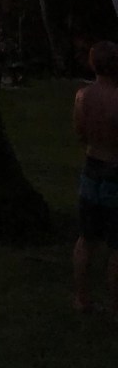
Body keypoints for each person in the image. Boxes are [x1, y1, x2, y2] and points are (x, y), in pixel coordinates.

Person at [73, 40, 118, 314]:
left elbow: (80, 134)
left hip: (91, 168)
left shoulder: (82, 96)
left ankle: (81, 298)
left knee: (86, 238)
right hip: (115, 171)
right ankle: (115, 306)